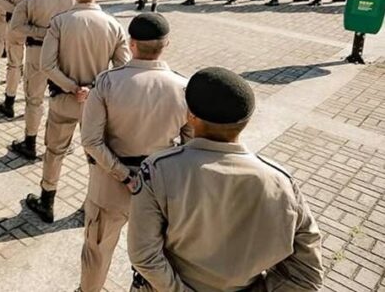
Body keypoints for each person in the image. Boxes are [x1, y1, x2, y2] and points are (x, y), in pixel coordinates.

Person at [128, 68, 323, 291]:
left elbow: (144, 255)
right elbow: (307, 276)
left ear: (191, 116)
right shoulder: (281, 183)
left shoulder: (158, 171)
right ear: (247, 120)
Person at [78, 13, 190, 292]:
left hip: (110, 185)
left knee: (97, 251)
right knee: (152, 256)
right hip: (160, 187)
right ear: (167, 44)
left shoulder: (106, 82)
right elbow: (190, 148)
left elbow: (91, 141)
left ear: (131, 43)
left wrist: (124, 175)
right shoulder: (184, 87)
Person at [25, 0, 131, 223]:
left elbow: (47, 65)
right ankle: (89, 204)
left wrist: (73, 87)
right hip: (97, 103)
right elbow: (122, 69)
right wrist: (93, 89)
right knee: (94, 155)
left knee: (55, 151)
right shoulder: (113, 25)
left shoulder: (61, 21)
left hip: (64, 99)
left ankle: (47, 200)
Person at [7, 0, 75, 160]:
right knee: (62, 100)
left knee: (34, 99)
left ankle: (30, 142)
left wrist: (42, 32)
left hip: (37, 52)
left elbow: (16, 27)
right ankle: (59, 145)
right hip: (65, 55)